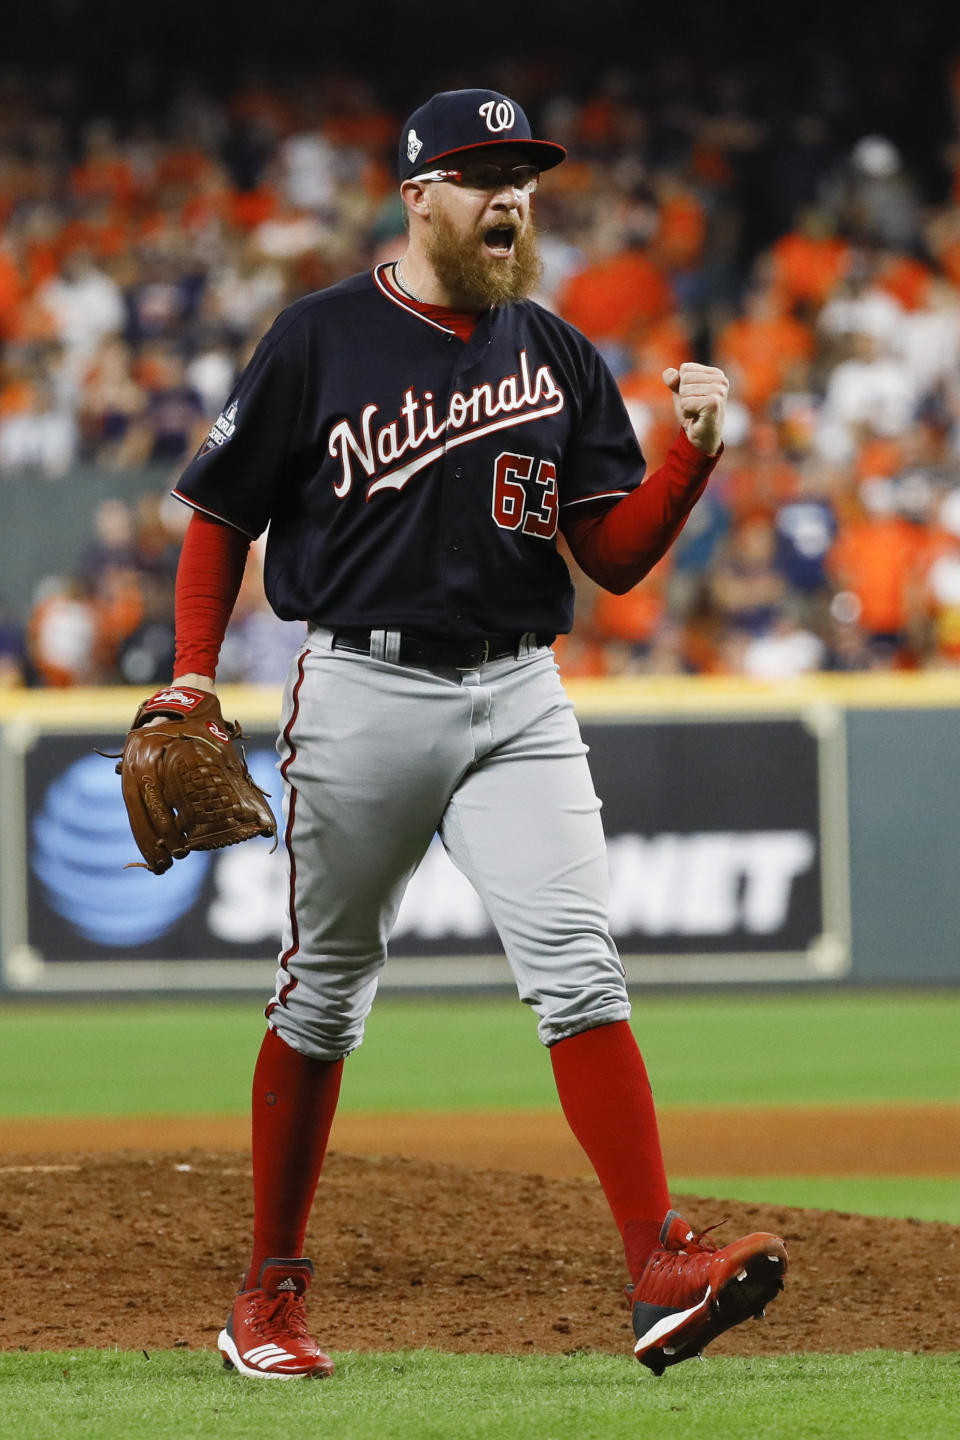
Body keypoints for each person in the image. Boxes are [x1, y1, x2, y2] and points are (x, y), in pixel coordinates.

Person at [158, 88, 787, 1380]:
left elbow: (608, 556)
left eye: (525, 178)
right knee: (324, 994)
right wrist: (188, 679)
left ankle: (658, 1269)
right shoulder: (322, 338)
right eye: (482, 173)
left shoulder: (554, 353)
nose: (510, 197)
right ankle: (266, 1294)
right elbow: (221, 511)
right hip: (363, 689)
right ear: (420, 196)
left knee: (582, 967)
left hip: (519, 694)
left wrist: (689, 461)